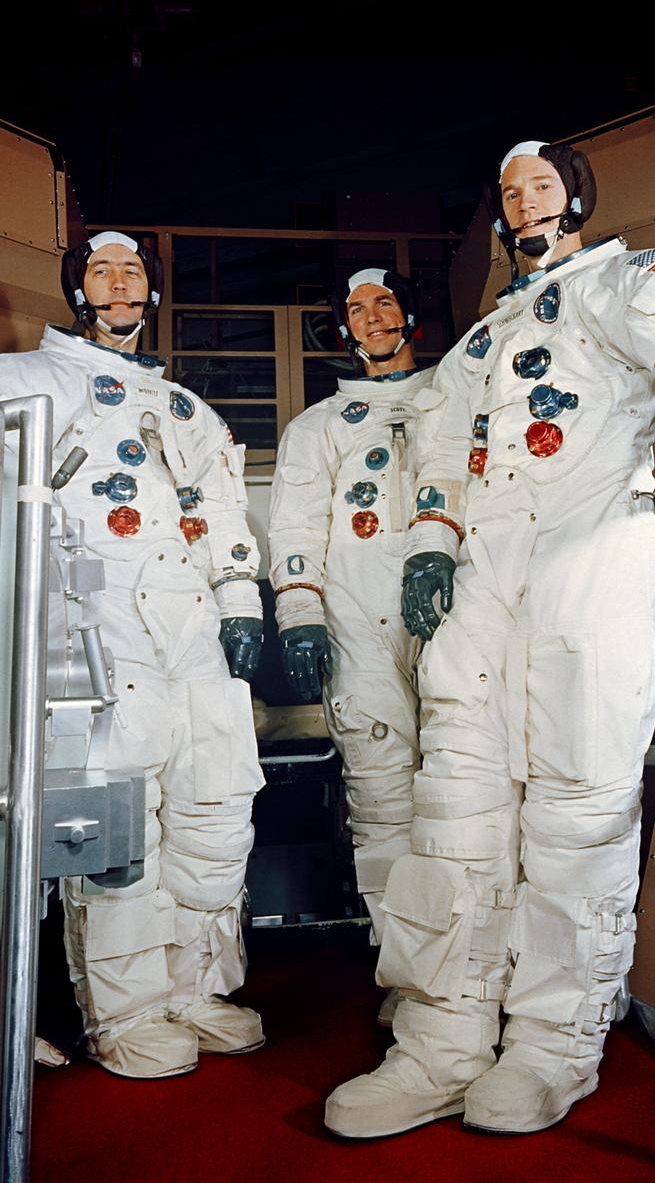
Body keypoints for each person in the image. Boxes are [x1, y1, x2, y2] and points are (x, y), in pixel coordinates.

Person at [325, 142, 655, 1136]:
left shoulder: (625, 278)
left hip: (590, 563)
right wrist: (432, 546)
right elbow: (439, 449)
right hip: (486, 581)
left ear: (575, 197)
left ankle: (552, 1047)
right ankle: (441, 1042)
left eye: (541, 184)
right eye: (510, 190)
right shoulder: (482, 342)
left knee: (575, 816)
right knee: (455, 811)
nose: (526, 200)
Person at [0, 231, 266, 1079]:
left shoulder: (184, 408)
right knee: (117, 825)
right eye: (101, 270)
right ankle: (125, 1013)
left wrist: (241, 601)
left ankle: (197, 988)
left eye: (133, 271)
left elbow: (220, 512)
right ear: (77, 289)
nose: (119, 283)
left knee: (212, 809)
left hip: (190, 630)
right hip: (92, 626)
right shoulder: (18, 380)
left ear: (152, 291)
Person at [268, 270, 454, 1021]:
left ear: (409, 313)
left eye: (383, 303)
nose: (372, 317)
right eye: (355, 309)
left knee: (465, 792)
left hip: (453, 611)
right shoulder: (320, 427)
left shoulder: (459, 391)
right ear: (341, 329)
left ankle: (469, 972)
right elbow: (294, 526)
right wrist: (299, 614)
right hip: (357, 623)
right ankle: (408, 974)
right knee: (381, 799)